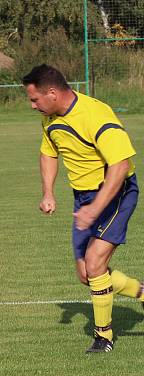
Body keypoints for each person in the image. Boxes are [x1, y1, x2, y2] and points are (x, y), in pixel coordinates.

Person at [23, 64, 142, 353]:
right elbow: (48, 152)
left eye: (34, 99)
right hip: (84, 199)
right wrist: (48, 192)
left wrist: (96, 207)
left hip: (116, 192)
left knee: (95, 261)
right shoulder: (50, 118)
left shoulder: (96, 115)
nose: (32, 105)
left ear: (52, 92)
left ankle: (104, 336)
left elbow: (120, 165)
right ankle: (140, 292)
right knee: (87, 275)